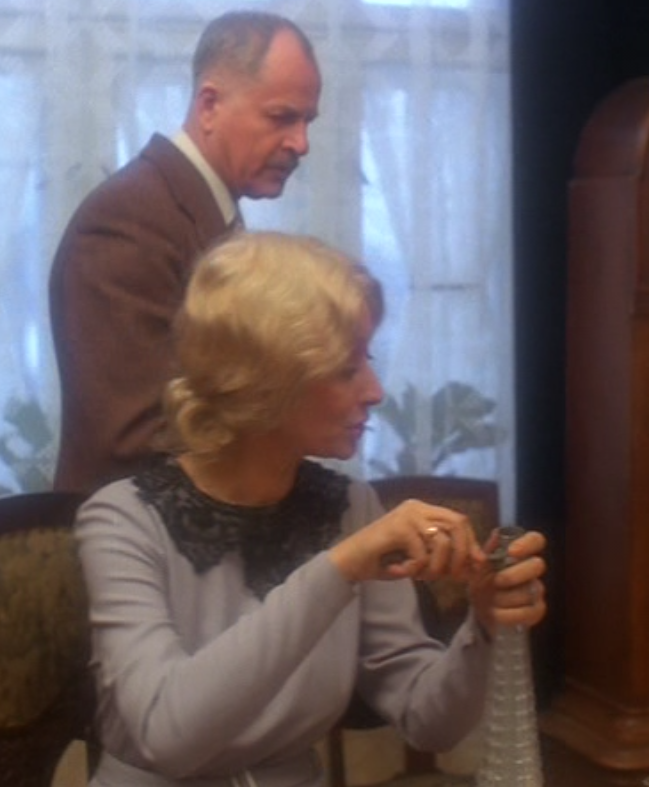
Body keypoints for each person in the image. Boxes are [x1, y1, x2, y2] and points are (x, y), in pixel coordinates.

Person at [75, 231, 548, 787]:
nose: (375, 391)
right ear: (266, 380)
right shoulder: (123, 520)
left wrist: (485, 626)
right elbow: (166, 736)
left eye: (367, 360)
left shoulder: (350, 507)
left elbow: (427, 721)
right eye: (347, 369)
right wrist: (338, 570)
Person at [49, 10, 321, 494]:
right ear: (209, 105)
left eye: (307, 121)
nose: (301, 143)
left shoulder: (195, 210)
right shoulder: (127, 222)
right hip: (133, 534)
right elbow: (133, 439)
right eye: (281, 117)